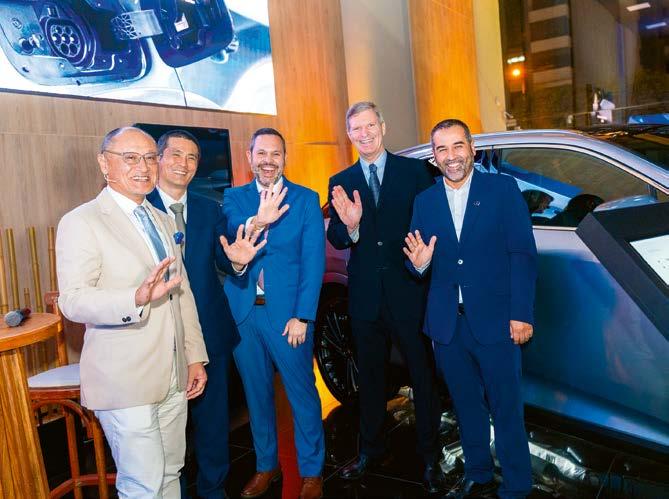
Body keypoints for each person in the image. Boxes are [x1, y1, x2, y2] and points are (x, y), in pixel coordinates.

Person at [56, 126, 210, 498]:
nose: (143, 167)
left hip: (173, 375)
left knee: (170, 472)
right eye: (130, 158)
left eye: (150, 158)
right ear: (103, 163)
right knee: (143, 484)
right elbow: (73, 300)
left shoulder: (161, 218)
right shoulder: (82, 221)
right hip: (125, 380)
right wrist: (134, 299)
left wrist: (194, 357)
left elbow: (182, 294)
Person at [404, 119, 537, 499]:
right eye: (442, 149)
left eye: (457, 146)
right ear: (434, 157)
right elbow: (415, 262)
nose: (451, 156)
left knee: (506, 407)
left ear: (472, 149)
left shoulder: (502, 190)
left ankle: (517, 485)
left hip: (498, 322)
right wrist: (419, 265)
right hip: (448, 326)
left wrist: (521, 314)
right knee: (465, 407)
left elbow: (523, 255)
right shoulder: (424, 201)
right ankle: (478, 474)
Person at [327, 101, 445, 493]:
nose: (364, 134)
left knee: (422, 377)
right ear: (349, 135)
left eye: (369, 125)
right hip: (365, 297)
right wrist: (351, 227)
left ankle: (431, 457)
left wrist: (425, 260)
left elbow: (433, 223)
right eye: (356, 129)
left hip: (408, 290)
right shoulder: (340, 180)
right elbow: (337, 237)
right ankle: (370, 450)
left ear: (383, 126)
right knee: (371, 378)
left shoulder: (415, 172)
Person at [147, 129, 265, 499]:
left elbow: (224, 259)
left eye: (192, 158)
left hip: (209, 330)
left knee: (213, 422)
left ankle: (213, 489)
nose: (183, 164)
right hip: (157, 334)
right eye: (176, 155)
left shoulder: (210, 208)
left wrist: (238, 263)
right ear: (159, 159)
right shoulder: (139, 207)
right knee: (166, 427)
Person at [222, 128, 326, 499]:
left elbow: (313, 262)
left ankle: (311, 472)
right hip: (244, 314)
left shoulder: (306, 199)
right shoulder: (233, 198)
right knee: (256, 396)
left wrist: (304, 316)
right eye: (261, 153)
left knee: (302, 394)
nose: (268, 160)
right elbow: (235, 230)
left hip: (289, 318)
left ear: (285, 158)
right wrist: (259, 221)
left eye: (275, 153)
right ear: (249, 157)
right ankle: (266, 466)